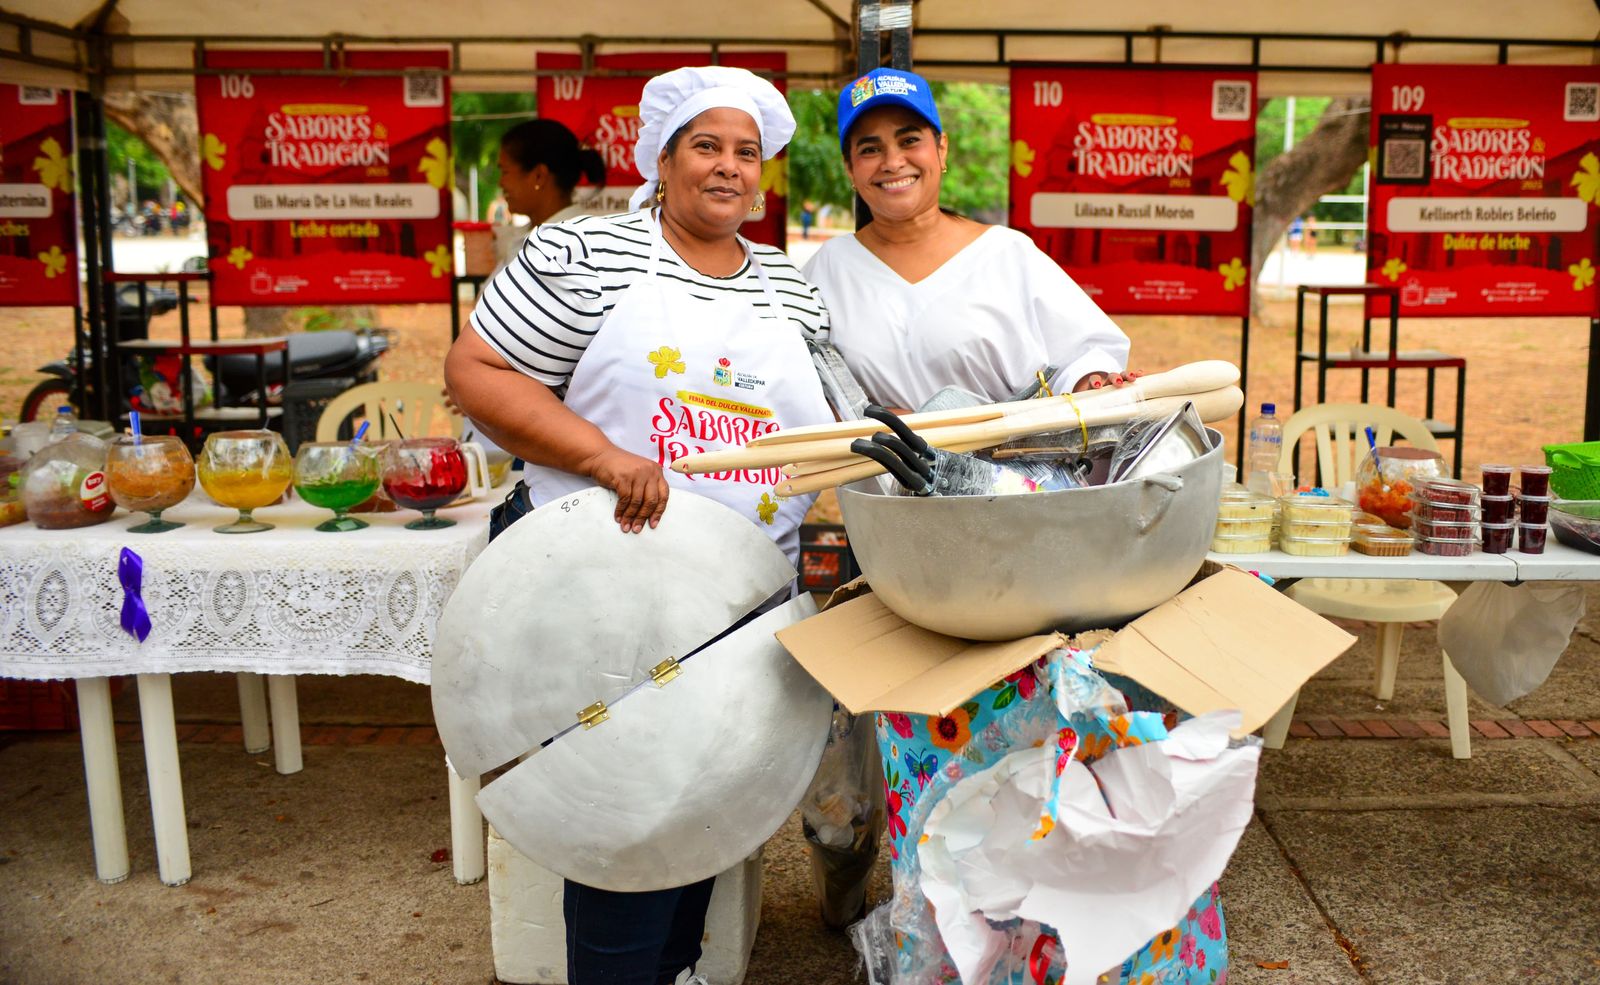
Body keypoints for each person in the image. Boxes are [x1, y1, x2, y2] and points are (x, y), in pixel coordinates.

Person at [801, 68, 1227, 985]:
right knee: (926, 723)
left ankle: (1048, 925)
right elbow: (810, 388)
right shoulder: (824, 272)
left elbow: (1091, 357)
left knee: (1022, 726)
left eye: (908, 139)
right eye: (867, 147)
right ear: (849, 166)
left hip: (1020, 522)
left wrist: (1081, 392)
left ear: (942, 148)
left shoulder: (1009, 255)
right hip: (908, 541)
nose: (892, 160)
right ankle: (944, 924)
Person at [444, 65, 833, 984]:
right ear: (663, 159)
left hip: (741, 597)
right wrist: (603, 457)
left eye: (747, 151)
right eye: (706, 146)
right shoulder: (585, 256)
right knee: (625, 805)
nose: (729, 168)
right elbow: (479, 372)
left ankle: (680, 971)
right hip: (603, 591)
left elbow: (822, 429)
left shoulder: (788, 283)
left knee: (703, 794)